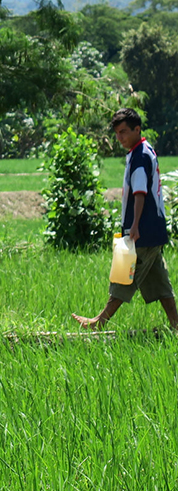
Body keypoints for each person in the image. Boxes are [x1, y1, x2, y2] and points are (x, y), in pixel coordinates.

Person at [73, 108, 178, 331]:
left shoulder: (140, 156)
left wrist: (135, 225)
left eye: (123, 132)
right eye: (117, 133)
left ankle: (99, 322)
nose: (120, 138)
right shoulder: (144, 150)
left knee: (123, 275)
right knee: (159, 282)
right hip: (152, 230)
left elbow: (140, 193)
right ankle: (176, 325)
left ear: (137, 129)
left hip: (143, 230)